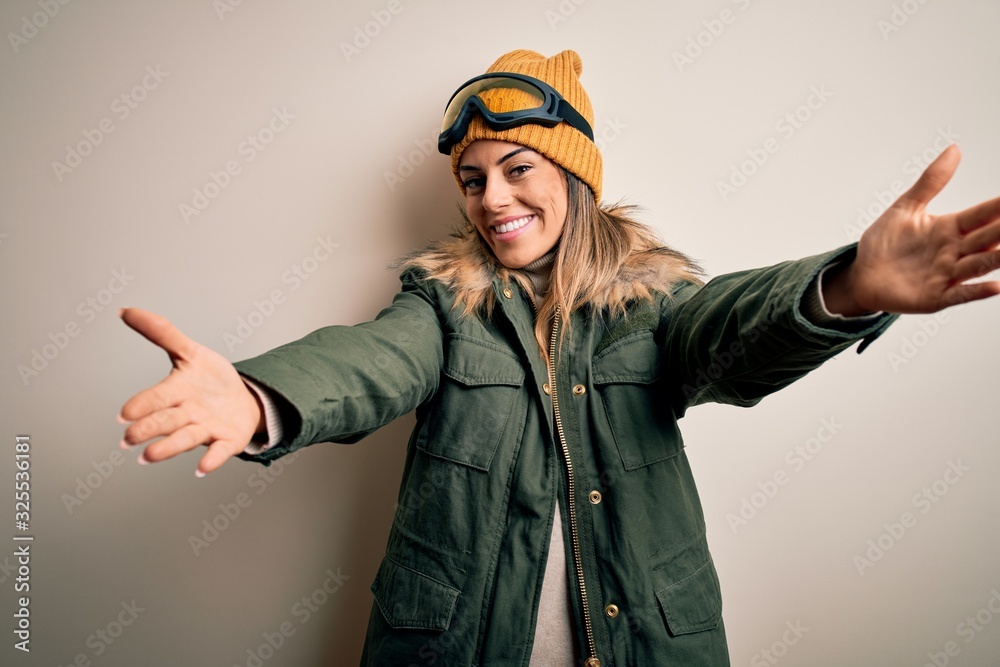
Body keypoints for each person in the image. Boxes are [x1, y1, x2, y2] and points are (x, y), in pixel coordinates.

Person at [117, 49, 1000, 666]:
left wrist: (843, 288)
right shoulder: (442, 301)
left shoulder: (653, 305)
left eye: (517, 169)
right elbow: (370, 362)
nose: (491, 198)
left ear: (573, 175)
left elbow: (731, 333)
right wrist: (261, 396)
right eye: (473, 178)